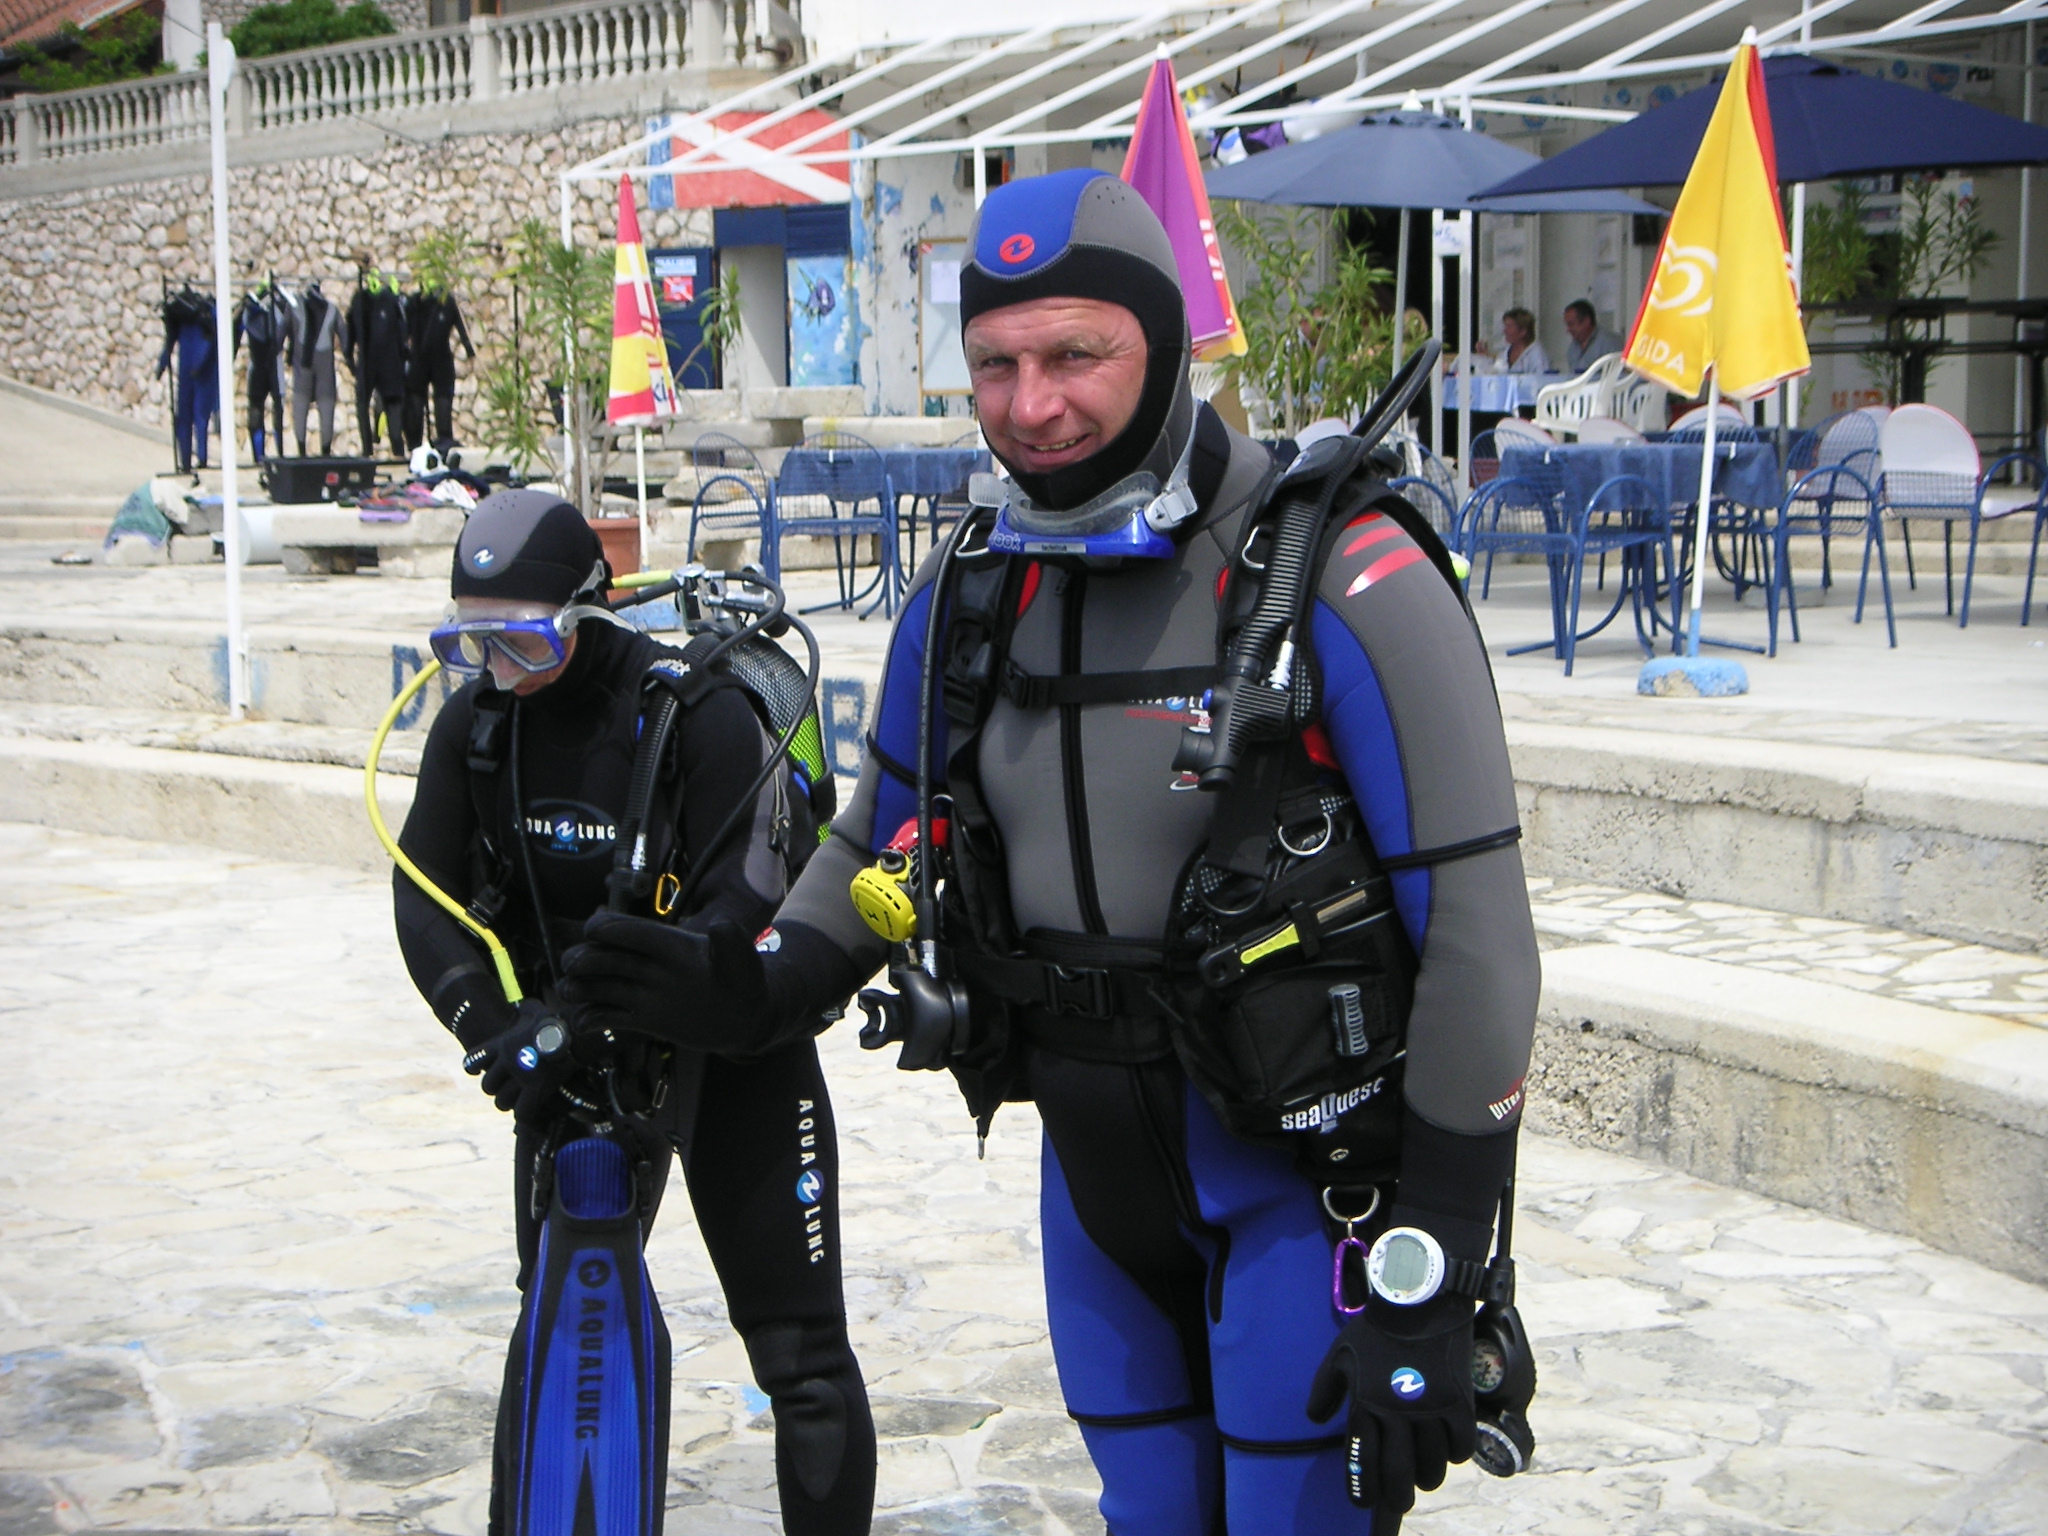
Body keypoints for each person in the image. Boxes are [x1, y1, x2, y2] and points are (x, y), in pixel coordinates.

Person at [562, 170, 1539, 1535]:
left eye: (1077, 354)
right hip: (1092, 1186)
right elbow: (878, 841)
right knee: (1148, 1511)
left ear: (1168, 345)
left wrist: (1432, 1253)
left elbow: (1480, 939)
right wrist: (757, 982)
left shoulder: (1347, 576)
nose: (1032, 405)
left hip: (1304, 1192)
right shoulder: (970, 595)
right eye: (995, 364)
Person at [390, 490, 876, 1536]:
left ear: (587, 607)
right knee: (559, 1322)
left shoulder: (697, 716)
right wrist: (492, 1025)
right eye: (470, 644)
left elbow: (746, 905)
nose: (499, 668)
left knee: (800, 1357)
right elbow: (422, 899)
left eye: (523, 641)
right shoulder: (477, 729)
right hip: (569, 1065)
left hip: (731, 1055)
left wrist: (579, 1021)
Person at [1562, 299, 1623, 374]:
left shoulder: (1610, 343)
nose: (1568, 329)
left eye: (1571, 324)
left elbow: (1620, 376)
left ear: (1586, 321)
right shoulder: (1573, 348)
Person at [1498, 307, 1551, 375]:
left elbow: (1541, 377)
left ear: (1523, 331)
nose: (1505, 331)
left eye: (1510, 327)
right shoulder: (1505, 351)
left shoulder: (1536, 354)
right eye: (1505, 326)